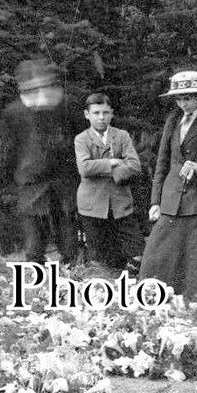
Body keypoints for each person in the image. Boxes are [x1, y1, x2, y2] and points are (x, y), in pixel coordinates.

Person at [139, 70, 197, 297]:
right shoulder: (173, 120)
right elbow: (163, 162)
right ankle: (155, 295)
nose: (183, 103)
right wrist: (155, 201)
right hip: (172, 197)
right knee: (157, 254)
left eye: (188, 98)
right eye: (179, 98)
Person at [0, 58, 79, 265]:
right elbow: (10, 150)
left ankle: (72, 273)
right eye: (33, 87)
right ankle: (36, 276)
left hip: (63, 180)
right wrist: (17, 177)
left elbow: (74, 140)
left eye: (44, 84)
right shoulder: (13, 113)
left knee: (67, 232)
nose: (40, 91)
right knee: (34, 237)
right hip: (31, 183)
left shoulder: (64, 106)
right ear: (23, 88)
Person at [73, 93, 144, 271]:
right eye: (96, 113)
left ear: (112, 113)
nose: (101, 117)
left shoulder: (122, 136)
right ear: (86, 114)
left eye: (105, 112)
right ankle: (104, 285)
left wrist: (114, 173)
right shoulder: (82, 139)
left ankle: (130, 280)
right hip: (93, 205)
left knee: (137, 253)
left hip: (120, 202)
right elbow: (84, 168)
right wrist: (113, 162)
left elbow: (135, 166)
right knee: (100, 256)